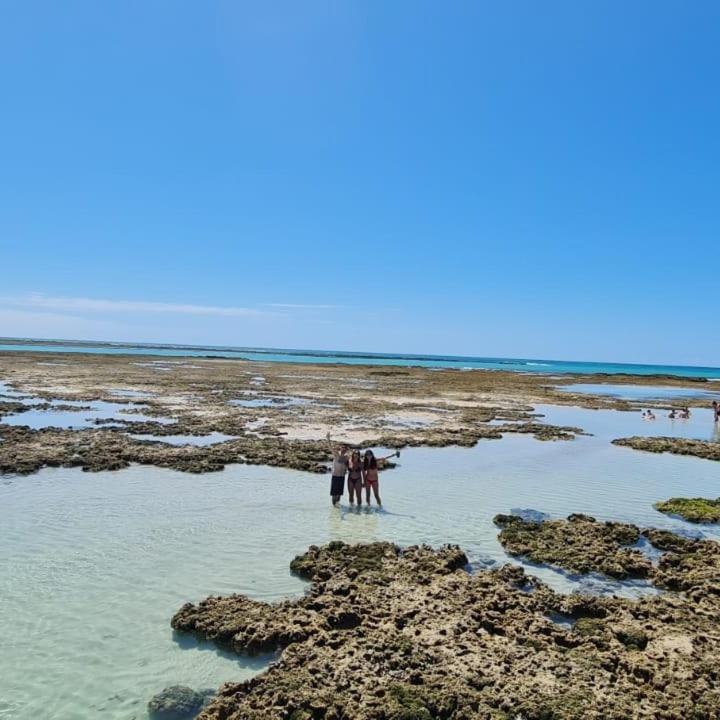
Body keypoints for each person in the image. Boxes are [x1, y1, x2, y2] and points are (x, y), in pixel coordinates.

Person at [327, 433, 349, 506]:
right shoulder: (336, 454)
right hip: (335, 476)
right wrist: (328, 439)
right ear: (340, 448)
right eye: (343, 447)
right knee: (334, 494)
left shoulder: (346, 457)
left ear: (346, 450)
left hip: (342, 477)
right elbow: (330, 448)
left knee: (339, 494)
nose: (344, 449)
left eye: (345, 448)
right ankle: (334, 508)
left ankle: (337, 509)